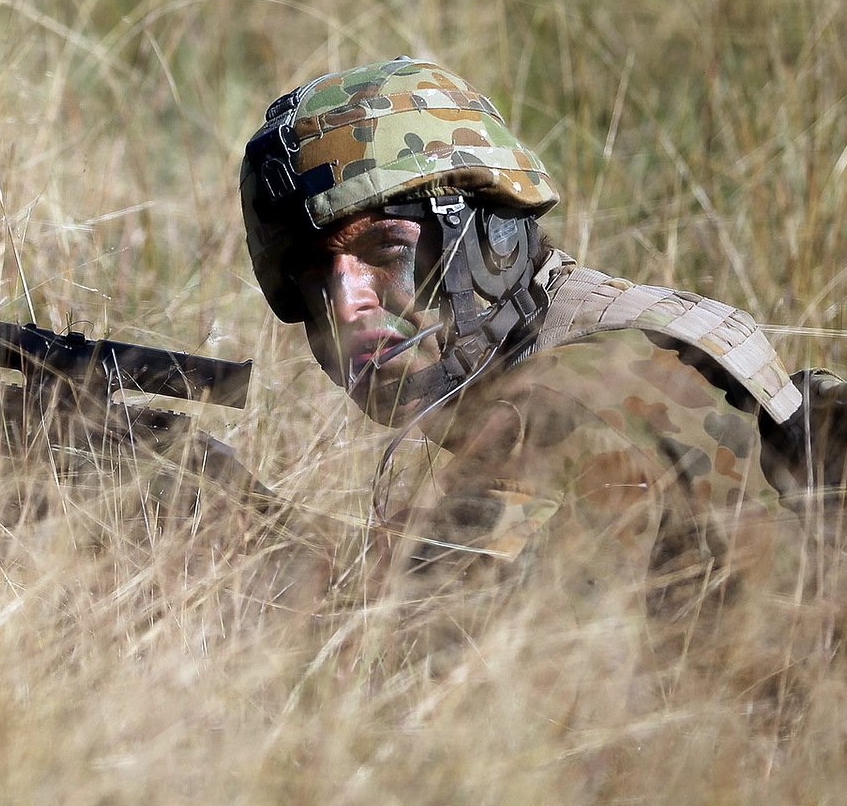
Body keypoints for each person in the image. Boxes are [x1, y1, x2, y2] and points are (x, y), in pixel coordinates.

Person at [237, 56, 808, 642]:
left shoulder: (584, 391)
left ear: (492, 238)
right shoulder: (579, 342)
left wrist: (224, 523)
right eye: (312, 275)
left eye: (385, 251)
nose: (342, 302)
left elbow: (438, 659)